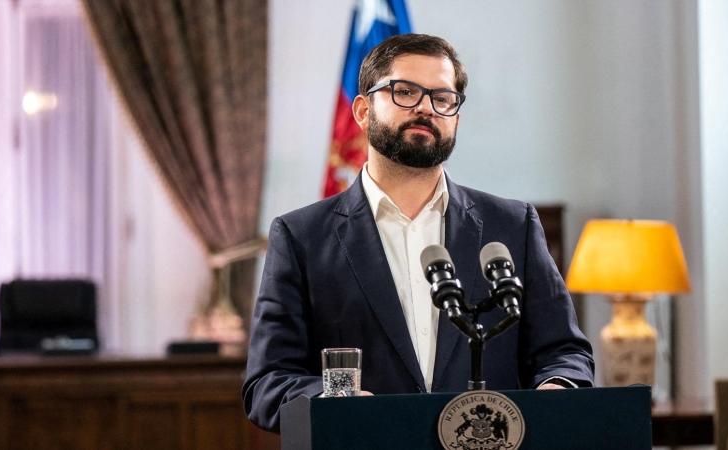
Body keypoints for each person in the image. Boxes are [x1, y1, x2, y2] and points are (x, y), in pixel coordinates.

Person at [242, 33, 594, 433]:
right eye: (405, 91)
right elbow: (268, 382)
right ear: (362, 110)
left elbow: (563, 352)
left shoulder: (511, 226)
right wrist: (334, 402)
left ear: (456, 117)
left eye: (442, 98)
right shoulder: (301, 236)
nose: (426, 108)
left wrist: (558, 389)